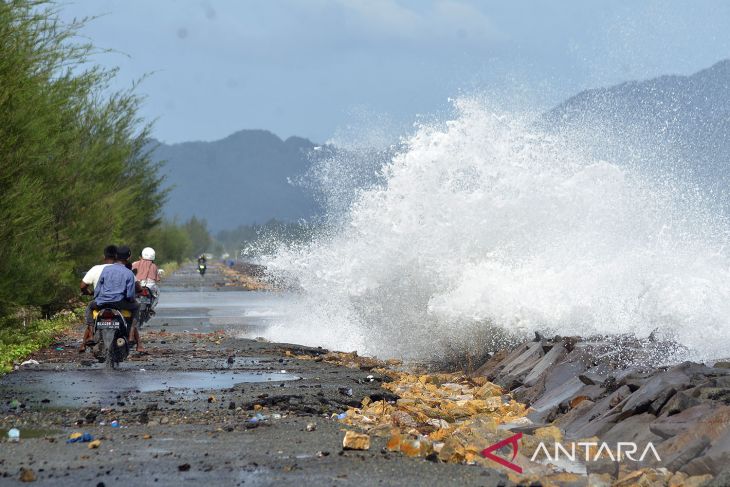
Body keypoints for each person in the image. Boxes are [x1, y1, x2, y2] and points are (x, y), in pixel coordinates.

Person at [96, 245, 145, 352]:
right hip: (119, 303)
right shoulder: (129, 273)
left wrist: (97, 298)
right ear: (128, 258)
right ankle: (132, 334)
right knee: (137, 306)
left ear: (116, 255)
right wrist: (131, 300)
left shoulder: (106, 269)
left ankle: (90, 333)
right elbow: (130, 295)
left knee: (90, 308)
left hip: (102, 302)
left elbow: (98, 287)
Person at [79, 245, 117, 353]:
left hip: (100, 303)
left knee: (90, 312)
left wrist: (88, 292)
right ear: (116, 256)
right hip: (118, 303)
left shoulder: (96, 269)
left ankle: (89, 337)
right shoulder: (121, 270)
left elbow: (82, 286)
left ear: (104, 256)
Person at [132, 247, 160, 312]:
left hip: (137, 284)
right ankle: (151, 308)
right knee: (157, 293)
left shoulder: (134, 264)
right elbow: (157, 279)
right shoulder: (154, 266)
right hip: (150, 285)